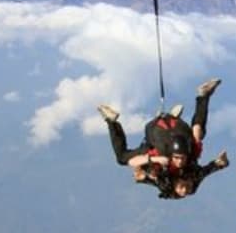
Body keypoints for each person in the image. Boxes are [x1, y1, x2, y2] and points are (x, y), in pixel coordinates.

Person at [98, 78, 229, 199]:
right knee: (198, 136)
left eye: (181, 188)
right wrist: (221, 163)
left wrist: (152, 162)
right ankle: (203, 96)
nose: (185, 187)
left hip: (156, 137)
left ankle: (111, 121)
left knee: (122, 158)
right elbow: (208, 170)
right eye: (187, 187)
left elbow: (133, 163)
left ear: (174, 187)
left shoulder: (163, 180)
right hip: (180, 135)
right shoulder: (193, 177)